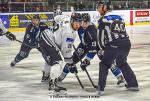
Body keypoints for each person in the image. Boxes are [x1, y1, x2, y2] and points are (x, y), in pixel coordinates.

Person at [57, 13, 125, 87]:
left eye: (86, 22)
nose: (84, 24)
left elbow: (93, 48)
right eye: (83, 22)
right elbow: (70, 25)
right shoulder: (79, 25)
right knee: (72, 60)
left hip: (98, 46)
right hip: (84, 45)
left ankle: (120, 77)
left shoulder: (92, 30)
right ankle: (61, 76)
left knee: (108, 61)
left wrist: (86, 61)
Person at [96, 1, 139, 95]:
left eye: (100, 7)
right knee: (122, 62)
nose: (98, 9)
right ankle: (133, 84)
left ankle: (100, 89)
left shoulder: (103, 19)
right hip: (126, 43)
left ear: (105, 8)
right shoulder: (120, 17)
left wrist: (102, 49)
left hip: (115, 44)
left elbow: (99, 38)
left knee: (104, 64)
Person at [39, 13, 82, 91]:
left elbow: (56, 18)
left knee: (50, 61)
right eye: (76, 22)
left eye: (80, 23)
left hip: (44, 36)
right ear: (72, 21)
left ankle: (45, 77)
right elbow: (65, 53)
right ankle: (52, 83)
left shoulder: (66, 18)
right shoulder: (70, 34)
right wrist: (71, 64)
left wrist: (57, 30)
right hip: (49, 40)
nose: (78, 25)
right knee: (58, 61)